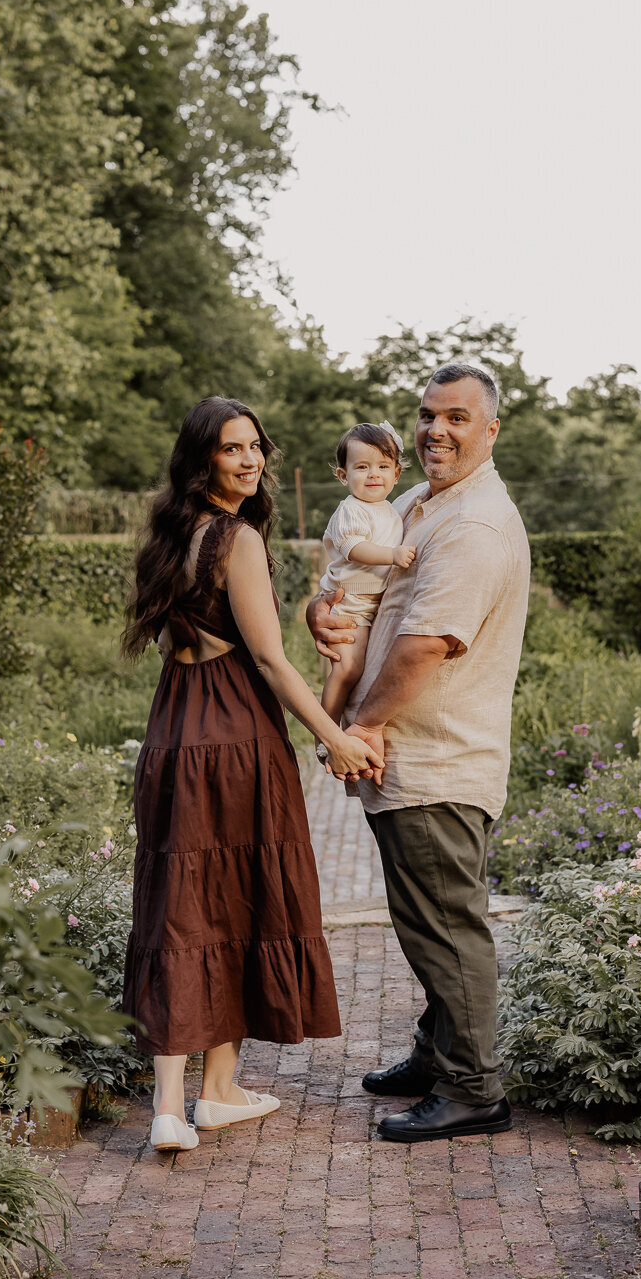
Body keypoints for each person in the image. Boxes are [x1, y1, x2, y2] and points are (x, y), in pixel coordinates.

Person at [122, 396, 383, 1153]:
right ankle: (215, 1092)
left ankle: (183, 1104)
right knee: (242, 901)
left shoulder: (172, 536)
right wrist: (333, 735)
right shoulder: (235, 538)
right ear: (202, 459)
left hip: (174, 731)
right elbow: (266, 659)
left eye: (255, 446)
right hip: (235, 733)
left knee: (180, 906)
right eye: (231, 449)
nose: (249, 460)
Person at [307, 363, 530, 1143]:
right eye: (429, 415)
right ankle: (436, 1056)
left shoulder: (472, 526)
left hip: (437, 762)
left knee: (443, 924)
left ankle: (473, 1091)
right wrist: (318, 611)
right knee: (424, 920)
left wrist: (356, 729)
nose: (437, 429)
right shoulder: (417, 503)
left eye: (457, 417)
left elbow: (425, 645)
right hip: (412, 760)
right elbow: (353, 581)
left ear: (490, 429)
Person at [317, 420, 416, 726]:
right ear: (344, 476)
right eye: (362, 467)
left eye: (383, 466)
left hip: (370, 605)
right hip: (350, 603)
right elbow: (355, 548)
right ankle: (325, 731)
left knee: (362, 671)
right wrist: (393, 556)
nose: (374, 474)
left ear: (396, 474)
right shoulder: (351, 509)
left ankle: (341, 722)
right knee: (347, 670)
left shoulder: (390, 510)